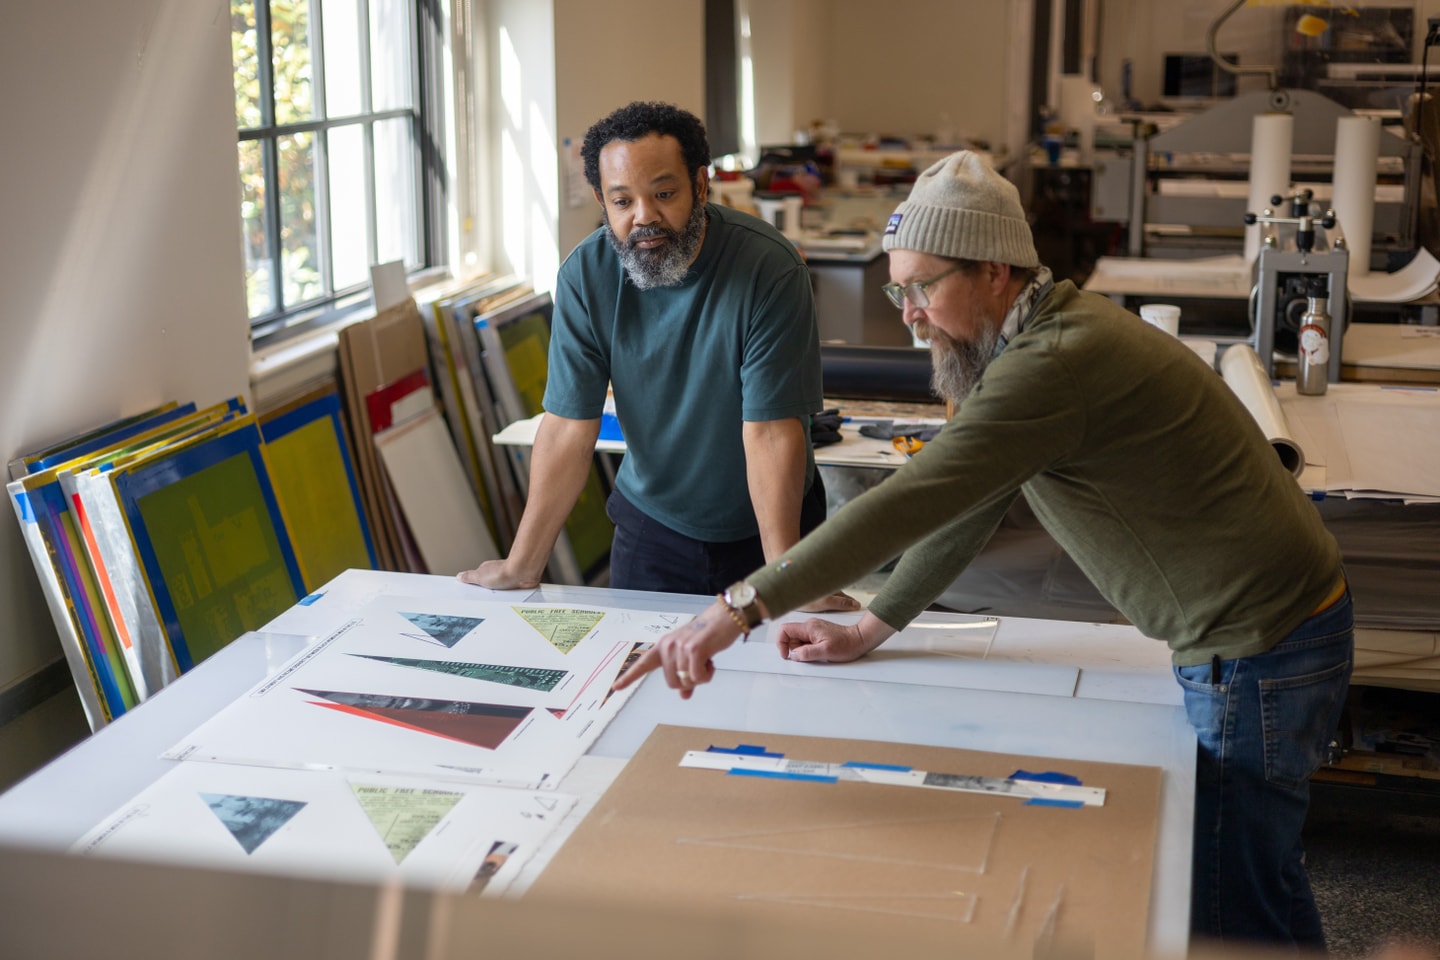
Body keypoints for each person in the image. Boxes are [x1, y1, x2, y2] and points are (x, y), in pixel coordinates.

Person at [615, 151, 1353, 951]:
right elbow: (976, 497)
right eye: (898, 289)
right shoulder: (1039, 338)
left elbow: (918, 497)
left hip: (1258, 646)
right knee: (1253, 883)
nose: (908, 314)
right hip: (1271, 628)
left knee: (1227, 907)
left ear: (996, 271)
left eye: (923, 287)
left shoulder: (1051, 364)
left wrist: (740, 606)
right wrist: (873, 625)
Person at [459, 101, 854, 611]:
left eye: (664, 194)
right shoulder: (586, 276)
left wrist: (784, 578)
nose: (644, 216)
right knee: (637, 680)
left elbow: (772, 431)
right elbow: (566, 426)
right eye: (622, 202)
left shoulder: (768, 268)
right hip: (653, 529)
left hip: (772, 533)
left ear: (701, 184)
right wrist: (523, 564)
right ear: (603, 201)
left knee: (777, 679)